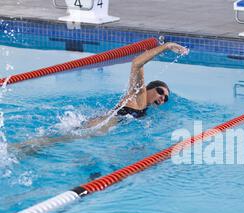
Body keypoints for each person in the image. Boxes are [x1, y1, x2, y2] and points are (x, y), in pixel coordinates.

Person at [10, 42, 189, 156]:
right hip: (99, 125)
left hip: (102, 128)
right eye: (160, 91)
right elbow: (136, 63)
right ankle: (14, 149)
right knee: (52, 141)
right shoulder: (139, 94)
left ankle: (20, 149)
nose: (162, 97)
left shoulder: (145, 107)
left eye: (165, 97)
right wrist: (166, 47)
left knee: (53, 142)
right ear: (150, 88)